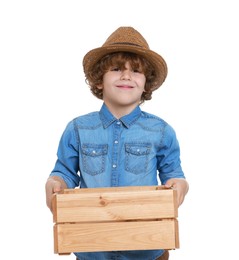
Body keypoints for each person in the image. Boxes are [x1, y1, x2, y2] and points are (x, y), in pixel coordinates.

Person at [45, 26, 189, 260]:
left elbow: (174, 174)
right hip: (91, 247)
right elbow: (65, 173)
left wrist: (178, 187)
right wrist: (56, 182)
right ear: (99, 81)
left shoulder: (162, 131)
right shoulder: (78, 129)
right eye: (116, 69)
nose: (126, 76)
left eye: (136, 71)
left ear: (146, 84)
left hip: (148, 249)